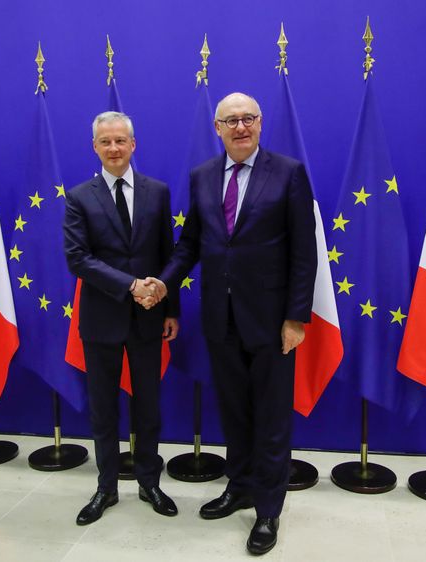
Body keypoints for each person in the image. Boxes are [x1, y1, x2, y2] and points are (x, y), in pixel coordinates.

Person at [150, 92, 317, 555]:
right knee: (235, 412)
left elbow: (305, 253)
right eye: (231, 121)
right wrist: (163, 284)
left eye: (248, 119)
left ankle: (268, 509)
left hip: (271, 322)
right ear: (217, 128)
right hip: (219, 320)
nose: (240, 127)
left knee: (270, 417)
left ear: (261, 124)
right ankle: (240, 485)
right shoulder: (202, 177)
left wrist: (296, 318)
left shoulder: (288, 173)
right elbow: (190, 246)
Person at [63, 111, 179, 525]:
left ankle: (149, 481)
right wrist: (131, 286)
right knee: (104, 408)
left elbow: (169, 254)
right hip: (102, 319)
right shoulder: (79, 197)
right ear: (94, 147)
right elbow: (78, 259)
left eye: (120, 141)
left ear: (133, 144)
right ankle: (106, 486)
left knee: (148, 405)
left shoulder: (158, 192)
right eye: (105, 142)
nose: (114, 148)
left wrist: (170, 308)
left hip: (151, 318)